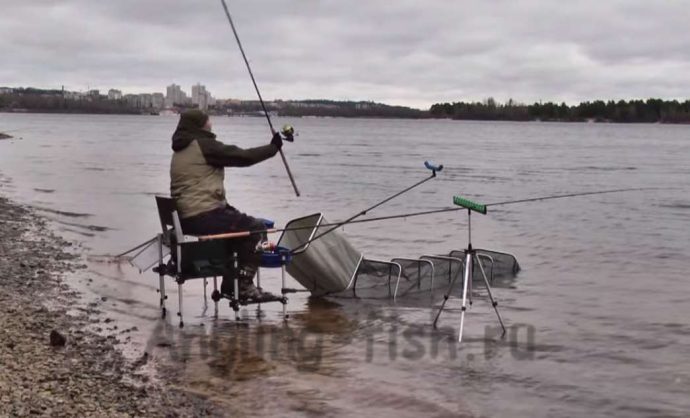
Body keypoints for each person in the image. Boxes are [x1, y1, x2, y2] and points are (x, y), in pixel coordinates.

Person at [169, 109, 284, 300]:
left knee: (243, 225)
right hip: (202, 215)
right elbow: (243, 157)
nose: (211, 124)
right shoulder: (203, 145)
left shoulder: (181, 149)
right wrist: (273, 148)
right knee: (256, 229)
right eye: (208, 121)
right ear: (200, 125)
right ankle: (243, 286)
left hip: (187, 217)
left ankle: (232, 284)